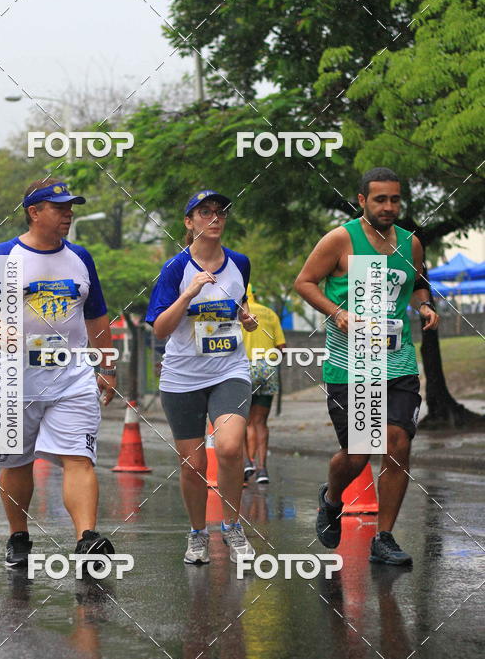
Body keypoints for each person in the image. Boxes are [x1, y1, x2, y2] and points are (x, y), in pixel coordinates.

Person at [294, 167, 439, 566]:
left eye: (395, 199)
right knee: (358, 454)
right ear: (362, 200)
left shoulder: (410, 244)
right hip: (351, 365)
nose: (389, 207)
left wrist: (424, 303)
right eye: (380, 200)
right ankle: (331, 499)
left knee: (397, 444)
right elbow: (304, 282)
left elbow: (418, 281)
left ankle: (384, 537)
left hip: (398, 361)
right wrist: (337, 312)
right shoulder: (341, 239)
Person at [0, 178, 117, 571]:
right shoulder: (5, 255)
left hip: (72, 377)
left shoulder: (81, 257)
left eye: (71, 207)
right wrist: (0, 329)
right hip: (14, 380)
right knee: (16, 463)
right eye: (59, 207)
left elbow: (97, 316)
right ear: (34, 212)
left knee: (79, 458)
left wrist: (107, 365)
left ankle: (87, 539)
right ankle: (18, 534)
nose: (68, 213)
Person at [146, 189, 258, 567]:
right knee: (193, 465)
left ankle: (232, 526)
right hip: (182, 377)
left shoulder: (240, 263)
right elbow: (160, 329)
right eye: (205, 212)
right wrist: (189, 293)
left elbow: (238, 303)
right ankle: (197, 533)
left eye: (220, 212)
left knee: (228, 448)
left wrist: (244, 317)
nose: (214, 218)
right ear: (189, 222)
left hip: (230, 369)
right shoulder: (175, 269)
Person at [242, 285, 286, 484]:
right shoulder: (269, 313)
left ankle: (245, 462)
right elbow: (282, 347)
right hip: (267, 367)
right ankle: (262, 470)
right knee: (260, 422)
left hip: (242, 368)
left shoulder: (235, 312)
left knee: (239, 421)